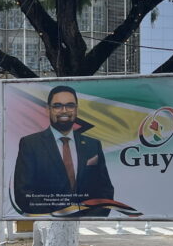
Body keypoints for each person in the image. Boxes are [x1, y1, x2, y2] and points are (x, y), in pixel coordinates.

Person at [12, 84, 114, 215]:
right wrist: (58, 216)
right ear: (48, 110)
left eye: (70, 105)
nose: (64, 110)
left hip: (87, 225)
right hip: (49, 223)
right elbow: (23, 193)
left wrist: (91, 218)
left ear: (76, 110)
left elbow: (105, 190)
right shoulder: (31, 144)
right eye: (57, 106)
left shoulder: (93, 145)